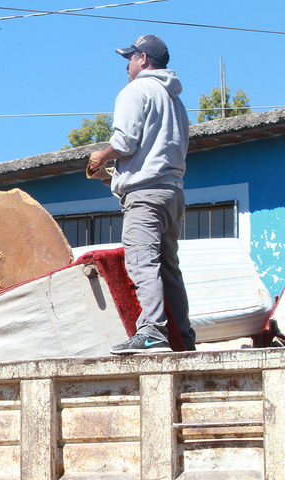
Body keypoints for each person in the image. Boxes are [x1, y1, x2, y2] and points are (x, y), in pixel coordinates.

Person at [88, 34, 196, 354]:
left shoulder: (135, 91)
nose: (127, 64)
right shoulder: (175, 101)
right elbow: (158, 156)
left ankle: (152, 331)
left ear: (144, 60)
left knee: (142, 263)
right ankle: (184, 339)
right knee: (168, 268)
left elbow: (125, 143)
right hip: (172, 194)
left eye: (131, 57)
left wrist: (100, 157)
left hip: (145, 198)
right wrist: (116, 176)